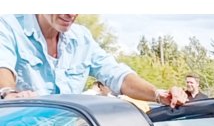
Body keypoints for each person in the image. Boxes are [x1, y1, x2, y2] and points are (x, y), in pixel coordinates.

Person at [0, 14, 184, 106]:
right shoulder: (9, 25)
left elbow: (117, 75)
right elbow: (3, 66)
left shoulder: (82, 38)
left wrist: (158, 94)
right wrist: (9, 93)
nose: (70, 13)